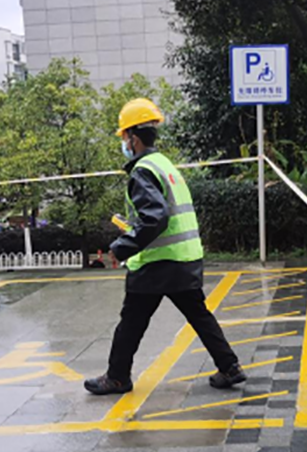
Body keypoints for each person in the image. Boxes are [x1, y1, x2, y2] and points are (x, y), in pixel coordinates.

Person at [84, 98, 246, 395]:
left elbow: (155, 218)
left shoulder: (142, 171)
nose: (124, 143)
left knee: (131, 322)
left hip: (157, 263)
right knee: (199, 315)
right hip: (185, 257)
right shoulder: (165, 165)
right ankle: (230, 367)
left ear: (133, 137)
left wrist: (122, 247)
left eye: (124, 137)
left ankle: (118, 378)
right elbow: (164, 215)